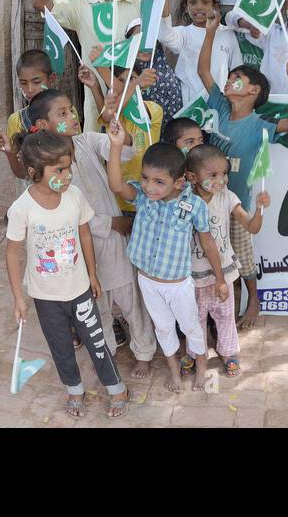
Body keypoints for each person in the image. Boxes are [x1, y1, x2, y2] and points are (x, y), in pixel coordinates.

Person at [15, 89, 157, 380]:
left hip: (114, 245)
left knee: (131, 299)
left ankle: (144, 352)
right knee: (97, 307)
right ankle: (107, 356)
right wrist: (110, 224)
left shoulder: (88, 141)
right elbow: (65, 215)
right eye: (63, 113)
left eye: (72, 110)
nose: (73, 116)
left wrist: (118, 133)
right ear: (43, 125)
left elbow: (123, 148)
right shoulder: (50, 171)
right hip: (82, 249)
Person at [5, 131, 129, 419]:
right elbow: (12, 253)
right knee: (61, 347)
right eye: (59, 169)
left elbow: (84, 232)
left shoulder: (74, 196)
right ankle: (74, 389)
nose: (67, 175)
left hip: (80, 290)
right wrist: (18, 298)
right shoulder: (21, 209)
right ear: (34, 172)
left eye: (69, 167)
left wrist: (93, 274)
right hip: (45, 297)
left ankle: (116, 387)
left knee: (97, 341)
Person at [199, 8, 288, 328]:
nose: (229, 80)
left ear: (253, 91)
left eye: (236, 78)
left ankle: (253, 301)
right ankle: (220, 310)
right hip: (207, 203)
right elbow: (203, 70)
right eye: (230, 77)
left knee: (243, 258)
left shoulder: (261, 123)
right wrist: (211, 31)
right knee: (211, 256)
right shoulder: (217, 104)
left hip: (239, 206)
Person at [108, 140, 228, 393]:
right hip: (148, 281)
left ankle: (202, 367)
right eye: (145, 178)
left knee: (191, 326)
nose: (149, 186)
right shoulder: (143, 197)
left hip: (178, 285)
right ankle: (174, 369)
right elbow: (117, 185)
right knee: (162, 326)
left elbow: (207, 242)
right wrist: (116, 146)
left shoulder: (194, 205)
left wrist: (220, 278)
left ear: (179, 182)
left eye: (158, 181)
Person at [32, 0, 142, 124]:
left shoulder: (141, 6)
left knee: (137, 152)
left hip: (136, 101)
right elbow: (40, 2)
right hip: (96, 102)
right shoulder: (80, 5)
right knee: (97, 151)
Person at [184, 144, 270, 381]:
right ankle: (195, 352)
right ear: (192, 177)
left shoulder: (227, 198)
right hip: (194, 274)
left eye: (224, 173)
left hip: (225, 273)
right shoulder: (184, 200)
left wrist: (260, 210)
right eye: (213, 175)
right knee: (195, 317)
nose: (221, 180)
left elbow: (251, 226)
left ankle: (229, 353)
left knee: (224, 316)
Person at [78, 62, 164, 212]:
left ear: (144, 83)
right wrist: (96, 87)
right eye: (120, 81)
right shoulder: (118, 115)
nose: (126, 85)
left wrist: (102, 70)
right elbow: (108, 116)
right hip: (120, 194)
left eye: (132, 79)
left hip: (150, 192)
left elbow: (118, 106)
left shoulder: (154, 109)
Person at [156, 0, 242, 110]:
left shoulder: (227, 34)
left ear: (215, 5)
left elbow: (238, 70)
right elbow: (165, 35)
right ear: (186, 6)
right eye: (193, 2)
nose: (199, 7)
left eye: (205, 2)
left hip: (219, 106)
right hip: (189, 106)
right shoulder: (184, 33)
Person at [0, 49, 57, 180]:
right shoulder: (16, 120)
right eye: (23, 83)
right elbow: (21, 173)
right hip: (38, 194)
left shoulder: (67, 114)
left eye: (36, 82)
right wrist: (10, 152)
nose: (30, 89)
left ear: (52, 79)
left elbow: (77, 157)